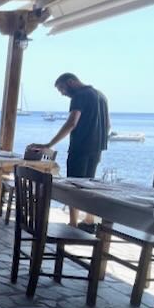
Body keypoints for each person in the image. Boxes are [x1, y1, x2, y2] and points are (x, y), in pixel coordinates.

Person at [29, 72, 110, 232]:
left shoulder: (79, 96)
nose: (63, 94)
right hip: (97, 148)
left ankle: (73, 222)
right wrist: (100, 141)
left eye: (62, 89)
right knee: (88, 184)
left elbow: (72, 122)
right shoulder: (101, 96)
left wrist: (49, 144)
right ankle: (89, 220)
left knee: (73, 185)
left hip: (80, 147)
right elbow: (108, 125)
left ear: (71, 82)